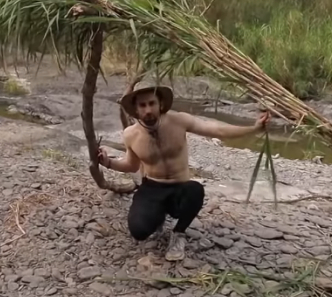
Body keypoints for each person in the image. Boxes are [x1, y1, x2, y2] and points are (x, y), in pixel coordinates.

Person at [99, 81, 269, 262]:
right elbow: (131, 166)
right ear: (135, 108)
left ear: (160, 104)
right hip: (152, 187)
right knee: (139, 231)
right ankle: (157, 218)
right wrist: (107, 162)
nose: (148, 109)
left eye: (152, 103)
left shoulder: (178, 120)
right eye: (142, 105)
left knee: (196, 190)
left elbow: (216, 129)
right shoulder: (130, 134)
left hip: (180, 186)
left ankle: (178, 233)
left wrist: (253, 128)